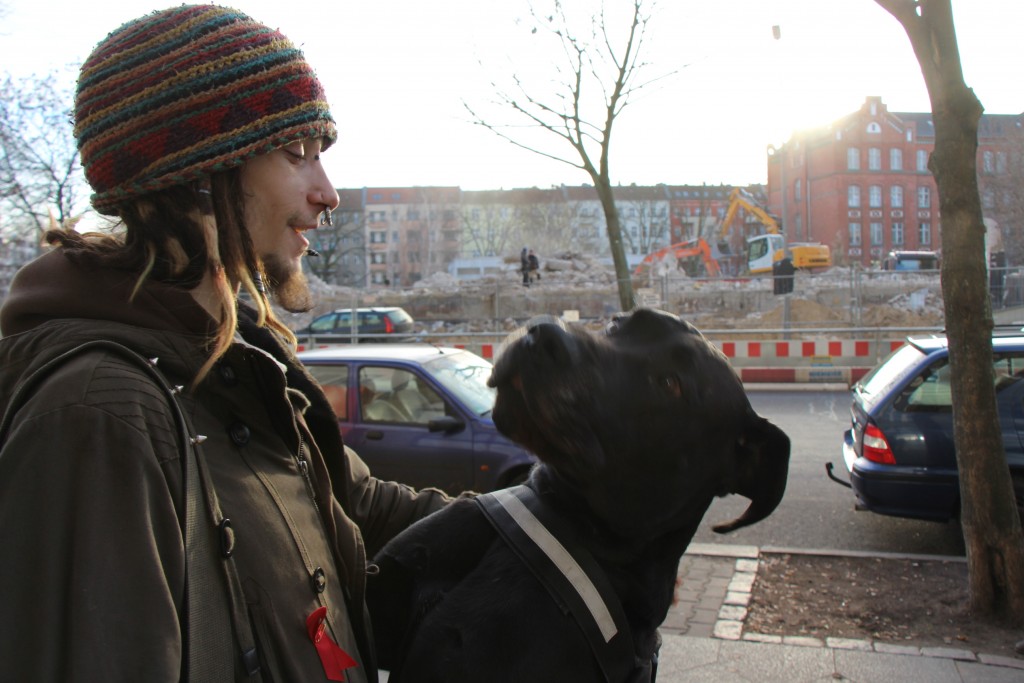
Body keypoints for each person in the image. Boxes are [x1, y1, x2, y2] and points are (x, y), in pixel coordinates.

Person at [0, 6, 452, 682]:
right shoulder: (99, 414)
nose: (328, 192)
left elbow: (366, 509)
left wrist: (562, 515)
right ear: (197, 172)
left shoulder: (237, 363)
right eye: (296, 153)